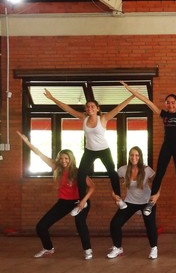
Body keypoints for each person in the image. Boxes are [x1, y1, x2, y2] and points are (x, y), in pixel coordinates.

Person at [121, 77, 176, 215]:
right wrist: (131, 90)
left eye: (173, 103)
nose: (171, 105)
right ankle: (151, 203)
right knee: (159, 173)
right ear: (166, 104)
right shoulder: (163, 114)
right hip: (167, 145)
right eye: (168, 103)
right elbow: (147, 101)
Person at [44, 89, 134, 213]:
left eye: (92, 106)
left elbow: (118, 108)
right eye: (87, 106)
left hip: (104, 150)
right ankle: (82, 201)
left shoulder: (103, 118)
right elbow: (68, 109)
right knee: (80, 175)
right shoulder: (84, 118)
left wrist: (132, 96)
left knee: (112, 173)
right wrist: (52, 98)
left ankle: (118, 200)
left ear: (97, 108)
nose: (89, 108)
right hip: (89, 151)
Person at [17, 131, 96, 260]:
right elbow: (39, 154)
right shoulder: (56, 167)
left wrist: (83, 201)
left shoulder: (77, 172)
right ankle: (48, 248)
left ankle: (87, 250)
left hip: (79, 201)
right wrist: (26, 141)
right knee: (41, 226)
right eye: (61, 158)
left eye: (66, 158)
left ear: (71, 159)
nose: (64, 161)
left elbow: (92, 186)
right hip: (64, 202)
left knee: (80, 222)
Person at [107, 146, 158, 260]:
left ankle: (154, 248)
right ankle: (117, 248)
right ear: (129, 156)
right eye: (132, 155)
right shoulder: (123, 169)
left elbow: (157, 183)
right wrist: (114, 195)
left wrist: (156, 196)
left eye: (136, 155)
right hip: (130, 201)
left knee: (150, 226)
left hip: (146, 201)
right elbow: (114, 182)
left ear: (140, 157)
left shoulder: (146, 170)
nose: (134, 157)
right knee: (115, 224)